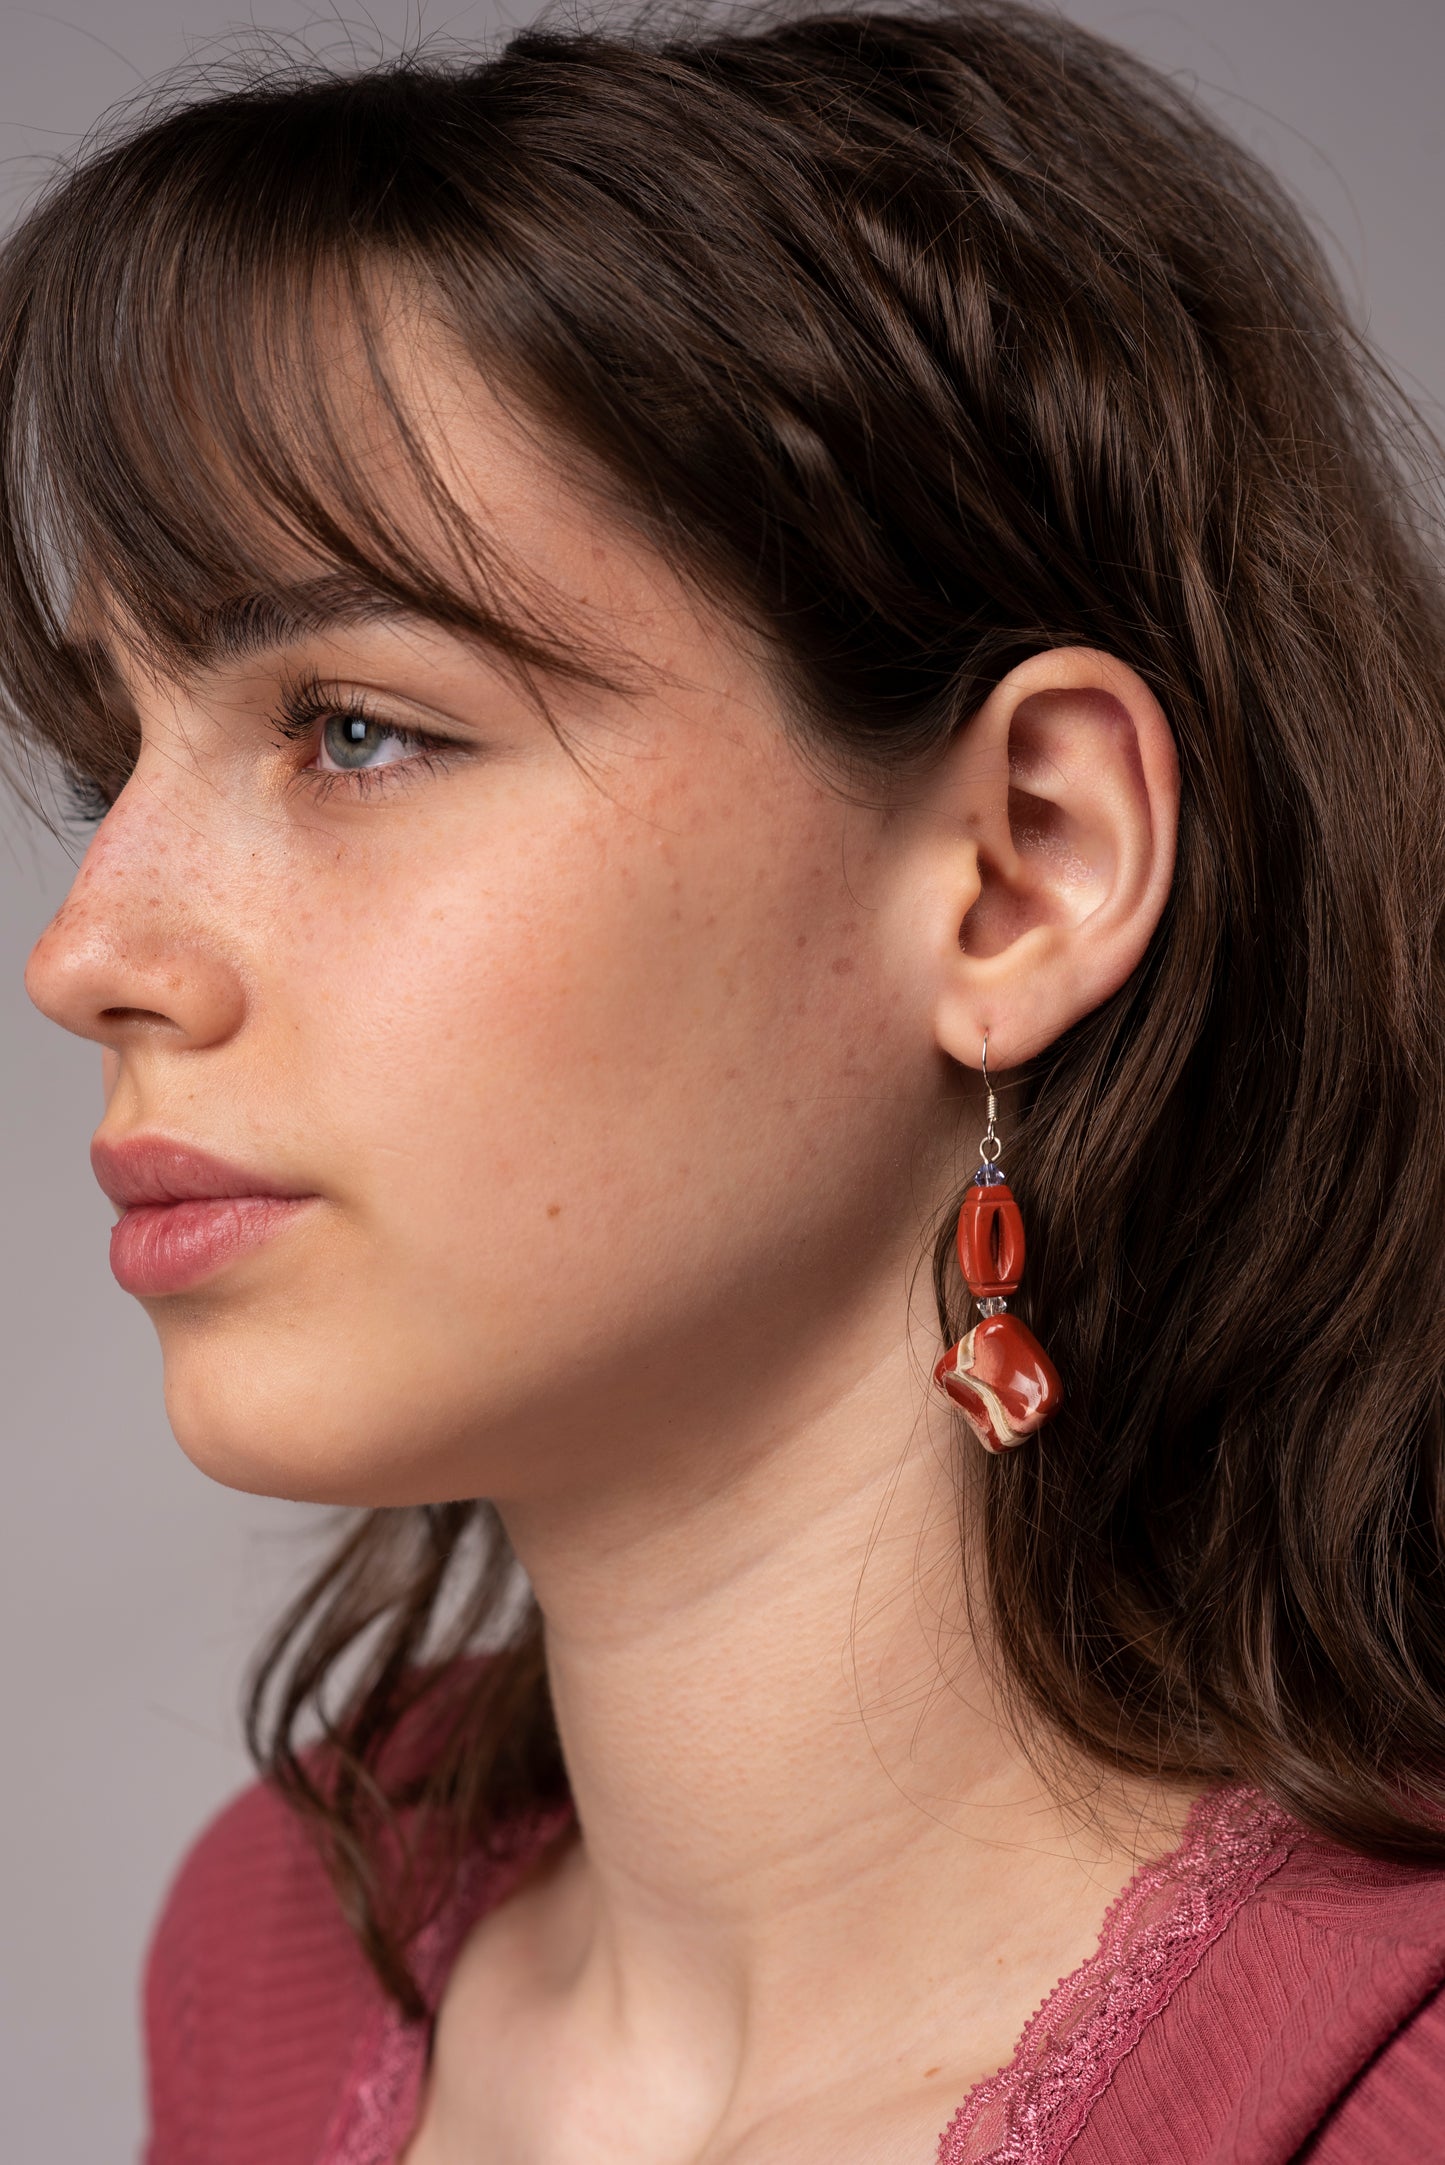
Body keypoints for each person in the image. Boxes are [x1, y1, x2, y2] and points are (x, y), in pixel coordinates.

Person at [5, 1, 1445, 2157]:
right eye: (119, 757)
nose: (86, 956)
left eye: (356, 729)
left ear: (1021, 872)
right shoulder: (279, 1955)